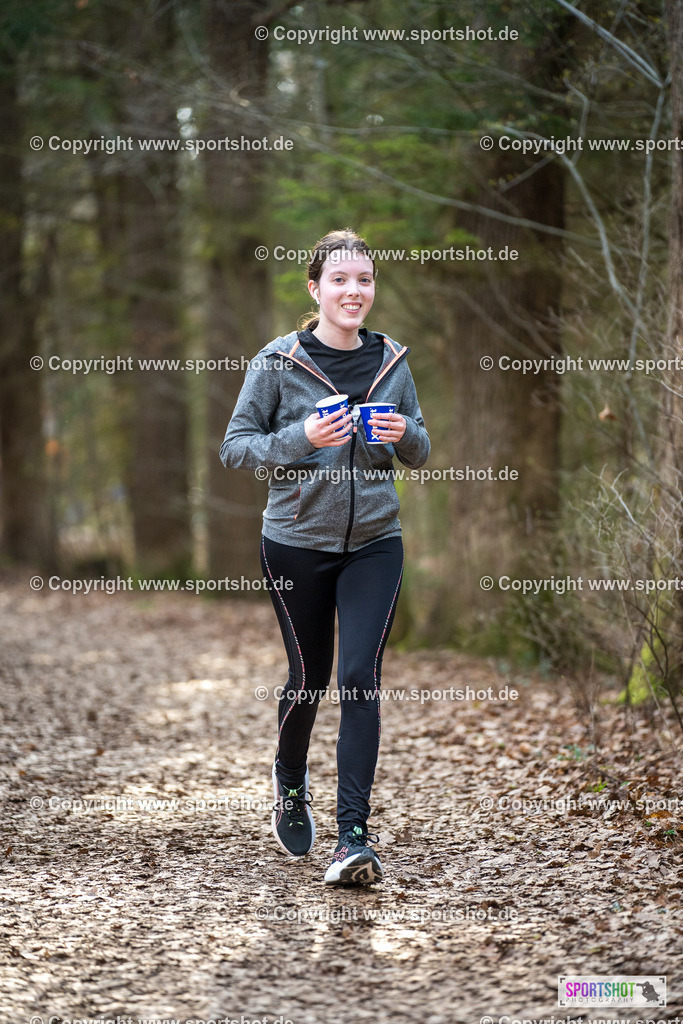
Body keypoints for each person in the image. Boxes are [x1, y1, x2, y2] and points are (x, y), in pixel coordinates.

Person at [220, 228, 430, 885]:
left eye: (363, 280)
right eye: (339, 280)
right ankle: (288, 783)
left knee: (359, 676)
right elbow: (235, 447)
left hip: (375, 542)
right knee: (307, 676)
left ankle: (352, 839)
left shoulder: (392, 360)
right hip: (294, 543)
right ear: (315, 289)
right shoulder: (277, 362)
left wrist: (404, 435)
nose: (353, 291)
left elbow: (419, 446)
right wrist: (300, 437)